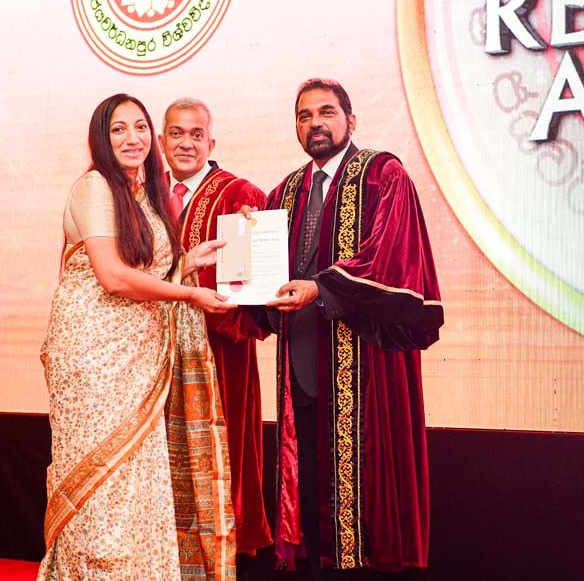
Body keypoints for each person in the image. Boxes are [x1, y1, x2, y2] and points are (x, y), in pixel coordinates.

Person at [37, 94, 237, 581]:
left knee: (139, 477)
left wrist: (189, 262)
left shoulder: (144, 194)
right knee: (101, 478)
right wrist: (190, 295)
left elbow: (144, 269)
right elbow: (113, 277)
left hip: (139, 359)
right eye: (119, 129)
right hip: (92, 358)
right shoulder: (94, 187)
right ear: (101, 139)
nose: (133, 139)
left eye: (141, 127)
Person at [255, 78, 444, 579]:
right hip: (301, 363)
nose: (315, 123)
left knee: (367, 488)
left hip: (364, 366)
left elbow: (389, 257)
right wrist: (244, 266)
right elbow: (267, 279)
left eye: (326, 112)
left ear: (351, 120)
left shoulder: (383, 175)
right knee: (309, 482)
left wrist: (321, 288)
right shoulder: (284, 192)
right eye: (304, 115)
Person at [159, 98, 272, 570]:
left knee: (219, 460)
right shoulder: (144, 195)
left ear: (211, 141)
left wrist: (219, 312)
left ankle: (219, 559)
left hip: (217, 350)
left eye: (196, 134)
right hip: (154, 352)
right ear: (162, 140)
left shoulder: (237, 194)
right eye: (176, 133)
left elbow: (257, 289)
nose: (186, 143)